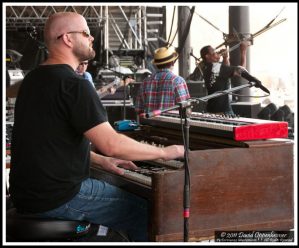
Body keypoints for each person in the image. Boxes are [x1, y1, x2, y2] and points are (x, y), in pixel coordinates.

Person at [9, 12, 184, 242]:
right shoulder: (74, 84)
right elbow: (112, 144)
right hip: (59, 197)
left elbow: (50, 144)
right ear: (67, 39)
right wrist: (167, 152)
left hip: (26, 195)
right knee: (150, 211)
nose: (92, 38)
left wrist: (101, 161)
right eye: (86, 33)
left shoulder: (32, 81)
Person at [135, 46, 190, 115]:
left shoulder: (145, 82)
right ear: (172, 63)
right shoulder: (178, 81)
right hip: (170, 125)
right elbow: (185, 110)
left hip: (148, 124)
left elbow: (138, 109)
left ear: (157, 65)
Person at [200, 42, 249, 115]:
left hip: (212, 109)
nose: (217, 53)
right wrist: (243, 51)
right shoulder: (217, 67)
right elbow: (242, 70)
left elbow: (226, 70)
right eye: (213, 52)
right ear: (207, 56)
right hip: (223, 110)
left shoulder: (206, 68)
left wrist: (225, 58)